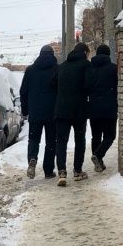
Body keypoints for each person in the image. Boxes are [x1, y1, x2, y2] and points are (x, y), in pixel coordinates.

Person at [52, 42, 91, 186]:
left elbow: (52, 83)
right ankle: (77, 171)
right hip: (79, 110)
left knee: (61, 142)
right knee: (79, 140)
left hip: (61, 110)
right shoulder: (86, 66)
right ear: (85, 53)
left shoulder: (62, 66)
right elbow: (89, 85)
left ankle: (62, 171)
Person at [19, 44, 59, 179]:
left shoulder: (30, 70)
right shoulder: (57, 69)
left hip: (35, 112)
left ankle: (32, 159)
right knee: (51, 142)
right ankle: (48, 170)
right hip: (52, 112)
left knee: (34, 139)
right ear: (52, 55)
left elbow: (23, 92)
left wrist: (25, 110)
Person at [86, 44, 118, 173]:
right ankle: (98, 156)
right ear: (108, 54)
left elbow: (86, 86)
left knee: (96, 136)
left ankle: (98, 163)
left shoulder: (89, 69)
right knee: (110, 136)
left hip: (93, 107)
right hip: (109, 107)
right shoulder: (113, 69)